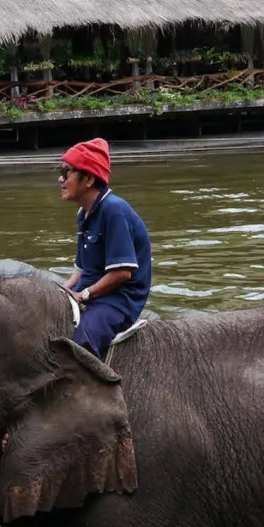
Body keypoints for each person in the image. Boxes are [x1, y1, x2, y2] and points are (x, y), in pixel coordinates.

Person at [59, 138, 152, 361]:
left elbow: (122, 273)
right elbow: (81, 269)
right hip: (92, 288)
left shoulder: (114, 211)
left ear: (89, 178)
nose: (60, 179)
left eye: (67, 172)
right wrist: (62, 289)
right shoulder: (84, 213)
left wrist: (83, 295)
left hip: (118, 299)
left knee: (82, 342)